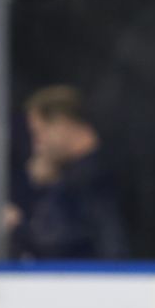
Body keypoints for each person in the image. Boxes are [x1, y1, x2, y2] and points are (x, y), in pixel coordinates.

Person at [10, 85, 127, 259]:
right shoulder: (74, 175)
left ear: (61, 124)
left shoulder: (95, 178)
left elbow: (67, 243)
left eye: (38, 134)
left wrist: (19, 228)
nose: (37, 147)